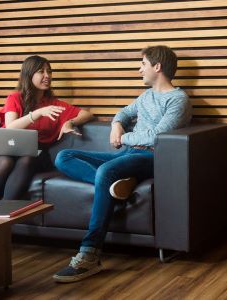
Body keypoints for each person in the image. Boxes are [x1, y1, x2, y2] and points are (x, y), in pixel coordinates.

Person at [52, 45, 191, 283]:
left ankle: (89, 255)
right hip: (128, 154)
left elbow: (158, 135)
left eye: (143, 65)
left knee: (106, 171)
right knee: (64, 157)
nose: (139, 70)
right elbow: (123, 113)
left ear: (157, 67)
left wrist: (123, 137)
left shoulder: (178, 99)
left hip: (151, 157)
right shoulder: (146, 96)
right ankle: (117, 187)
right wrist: (117, 124)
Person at [0, 55, 94, 201]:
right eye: (41, 71)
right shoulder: (15, 98)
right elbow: (10, 128)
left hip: (35, 155)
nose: (47, 76)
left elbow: (87, 114)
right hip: (2, 151)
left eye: (49, 72)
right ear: (29, 74)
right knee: (4, 163)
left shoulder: (54, 105)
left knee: (27, 159)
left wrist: (70, 122)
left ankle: (4, 211)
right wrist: (36, 114)